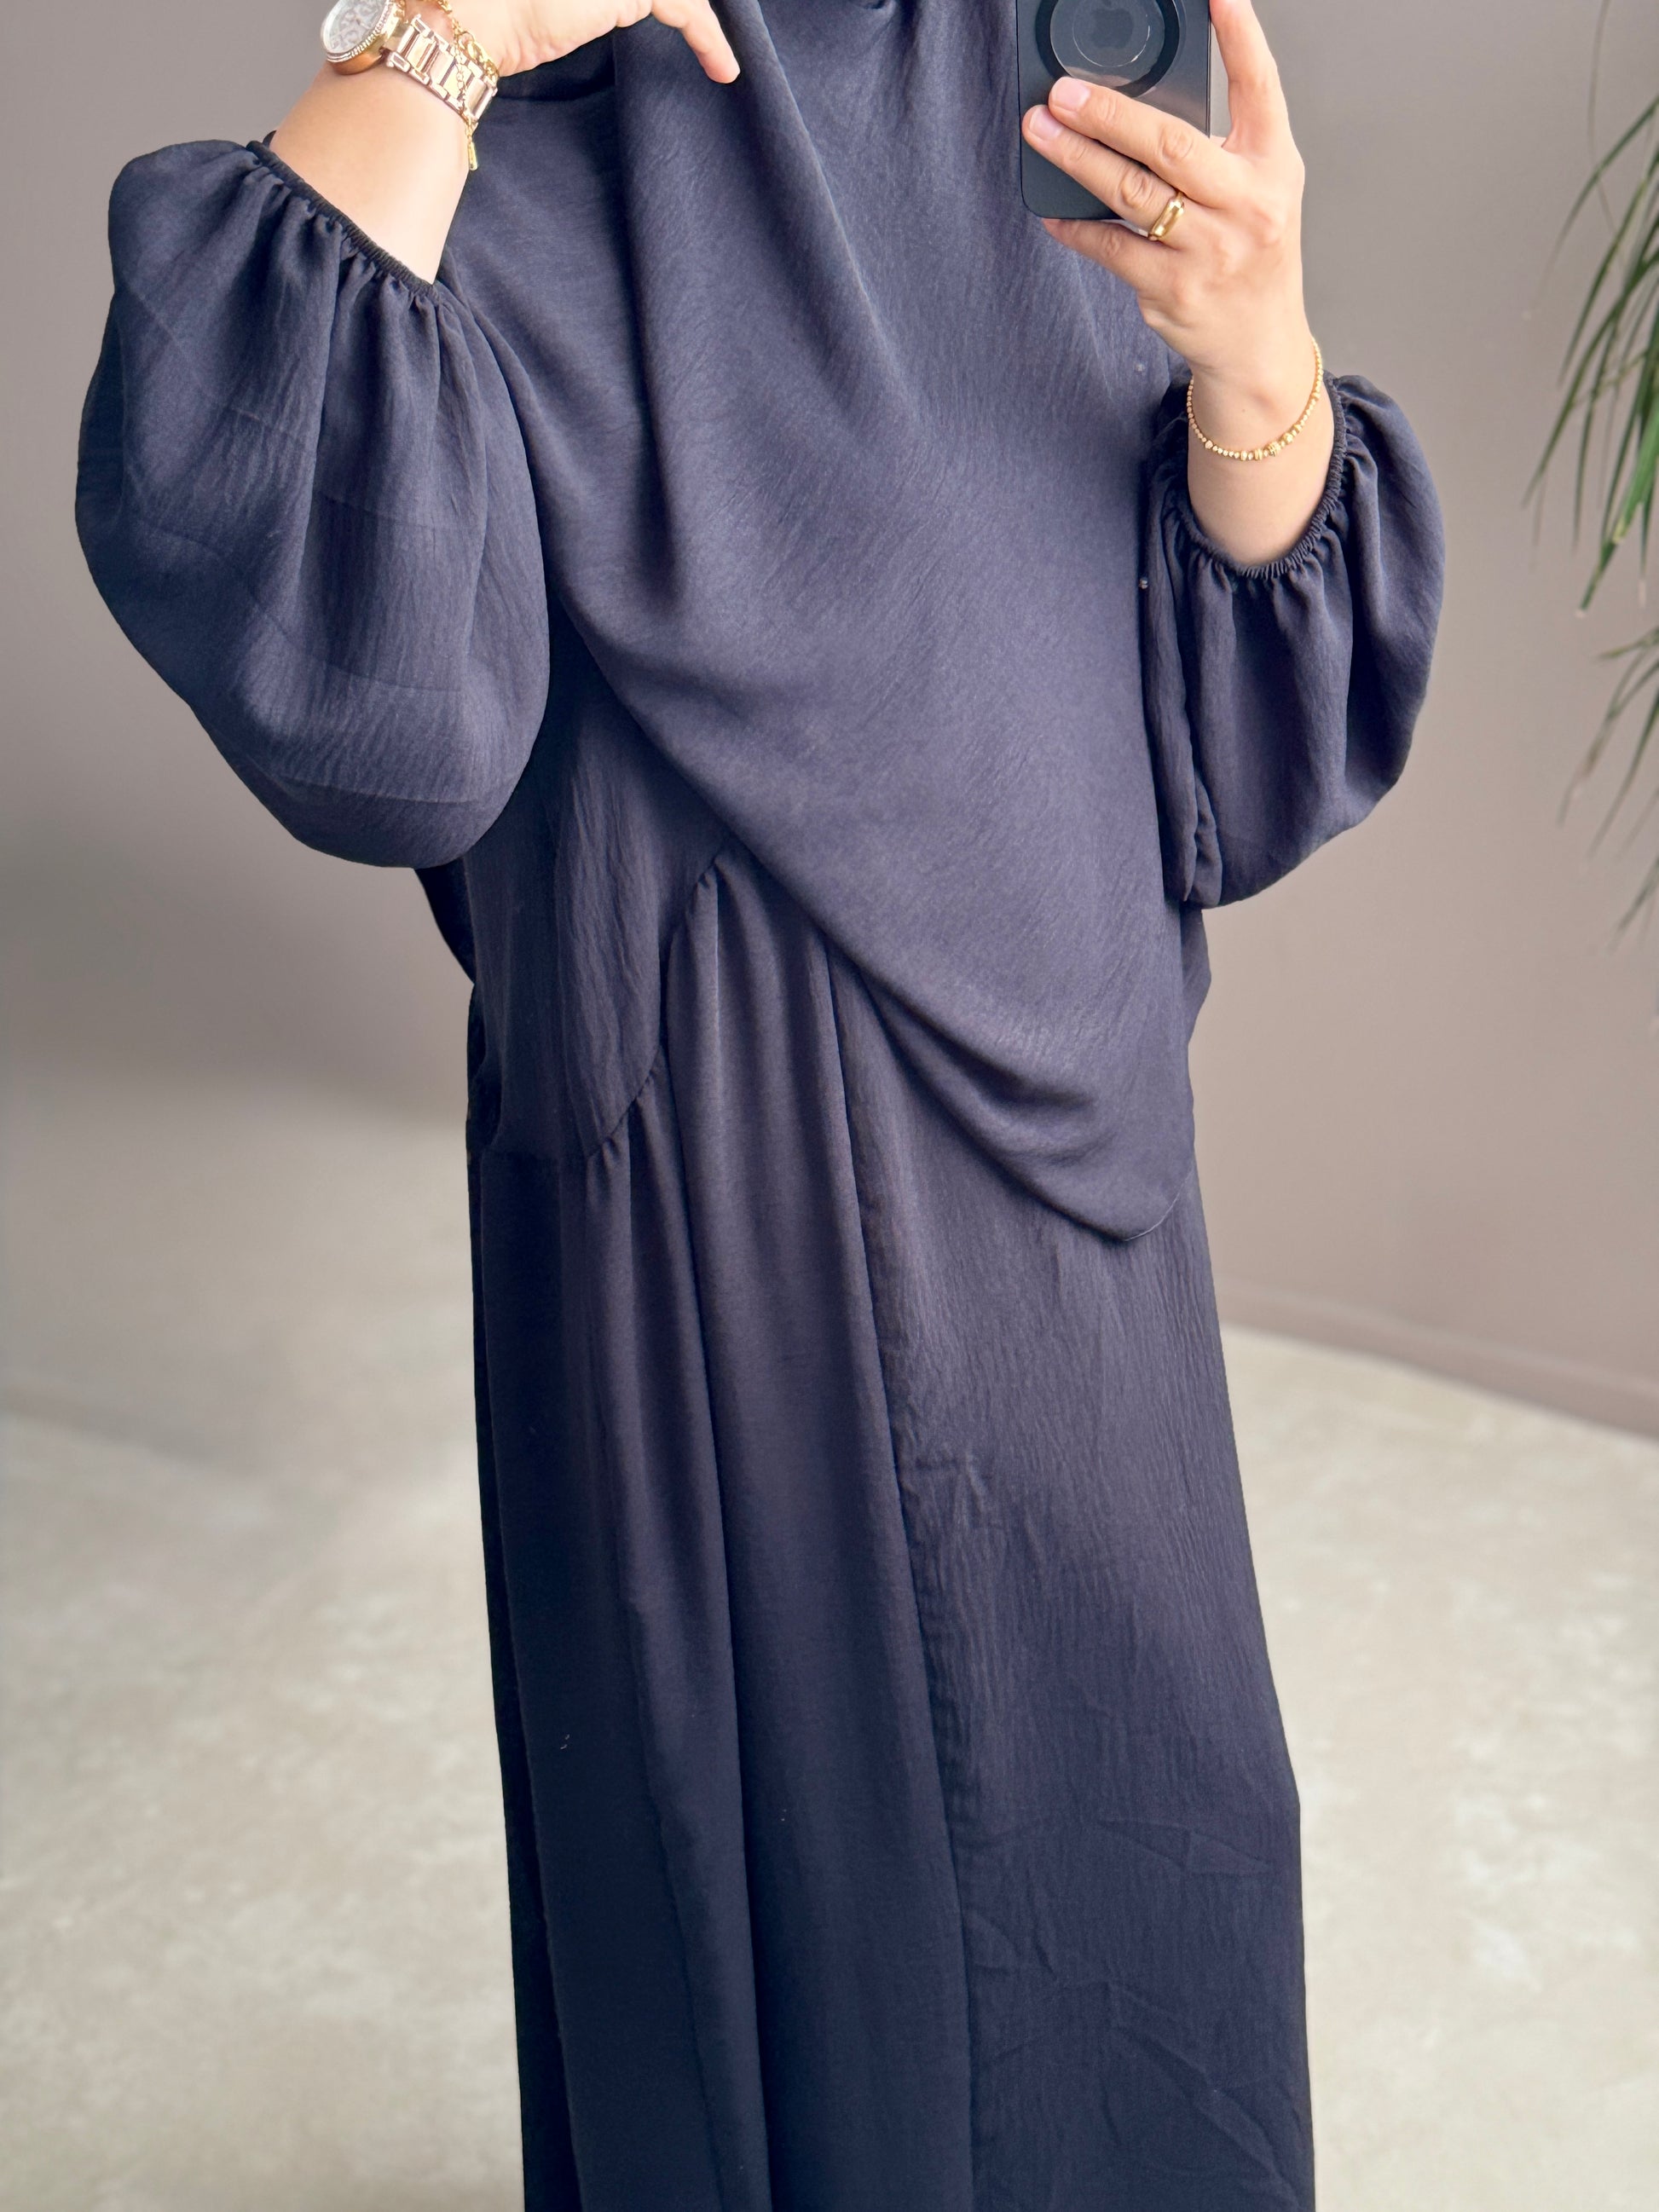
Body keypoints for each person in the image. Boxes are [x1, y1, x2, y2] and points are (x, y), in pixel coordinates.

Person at [75, 0, 1442, 2203]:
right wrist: (444, 41)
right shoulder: (506, 86)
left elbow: (1217, 733)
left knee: (1136, 1847)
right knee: (781, 1919)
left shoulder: (1048, 54)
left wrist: (1258, 363)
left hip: (1072, 1180)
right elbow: (344, 665)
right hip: (710, 1188)